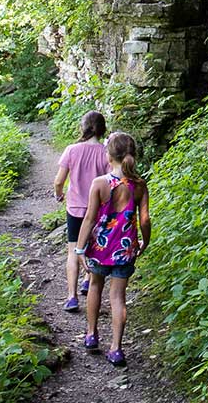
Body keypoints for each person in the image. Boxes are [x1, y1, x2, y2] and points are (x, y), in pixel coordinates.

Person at [74, 131, 151, 366]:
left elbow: (88, 219)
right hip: (125, 249)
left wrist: (79, 249)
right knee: (118, 298)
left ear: (109, 156)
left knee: (95, 286)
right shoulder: (139, 185)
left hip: (100, 247)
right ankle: (116, 348)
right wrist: (145, 241)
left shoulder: (100, 183)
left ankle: (91, 334)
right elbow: (145, 219)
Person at [53, 111, 109, 312]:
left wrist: (59, 195)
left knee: (73, 250)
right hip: (98, 209)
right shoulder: (106, 152)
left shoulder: (72, 150)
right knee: (93, 248)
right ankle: (88, 280)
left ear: (83, 127)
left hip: (75, 208)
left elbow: (59, 181)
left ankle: (71, 297)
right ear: (102, 129)